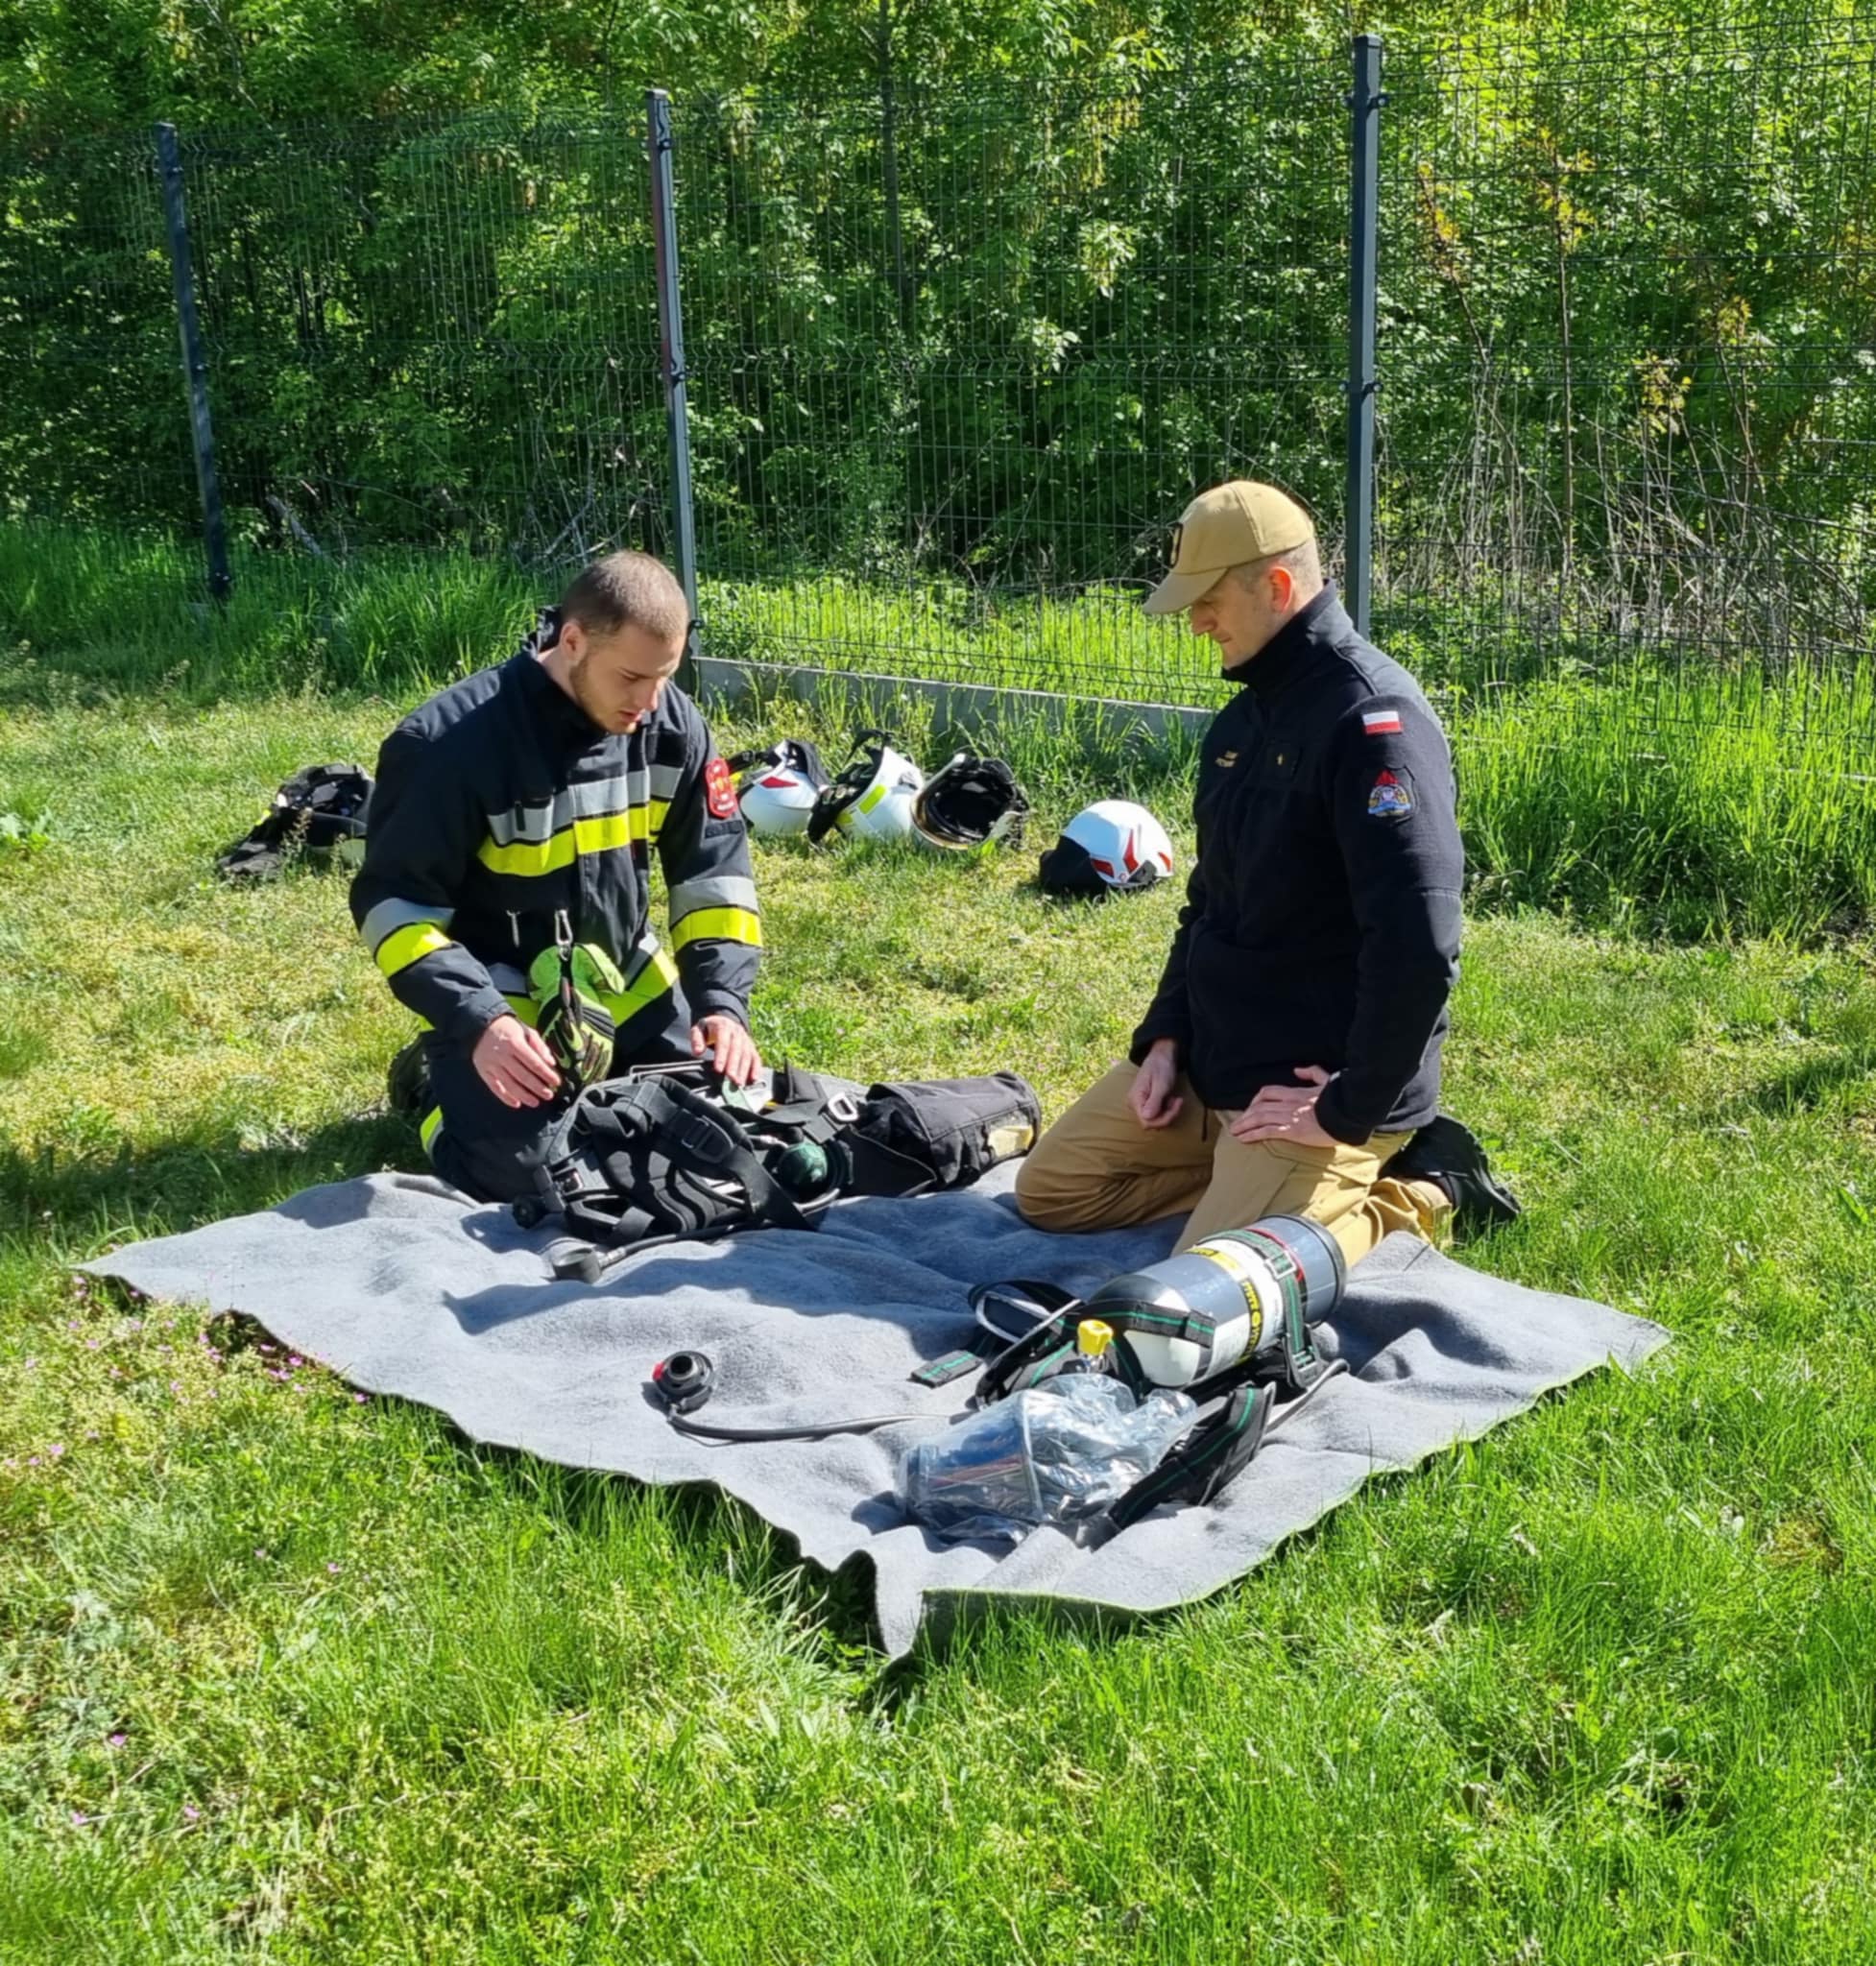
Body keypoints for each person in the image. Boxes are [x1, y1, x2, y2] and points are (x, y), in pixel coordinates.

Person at [1016, 480, 1516, 1263]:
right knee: (1051, 1192)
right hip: (1218, 1066)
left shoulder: (1374, 724)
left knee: (1212, 1277)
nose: (1195, 622)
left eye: (1208, 601)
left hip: (1316, 1087)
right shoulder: (1242, 718)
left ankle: (1422, 1189)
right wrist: (1165, 1040)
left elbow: (1418, 947)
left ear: (1278, 587)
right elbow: (1206, 903)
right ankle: (1255, 1186)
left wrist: (1347, 1107)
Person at [351, 550, 763, 1203]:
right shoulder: (447, 745)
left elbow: (715, 875)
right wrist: (477, 1020)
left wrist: (721, 1005)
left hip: (624, 981)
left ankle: (589, 1085)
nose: (649, 702)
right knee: (537, 1181)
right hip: (503, 1000)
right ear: (571, 641)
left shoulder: (673, 723)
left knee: (722, 1134)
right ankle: (434, 1088)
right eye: (631, 677)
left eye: (665, 676)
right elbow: (395, 908)